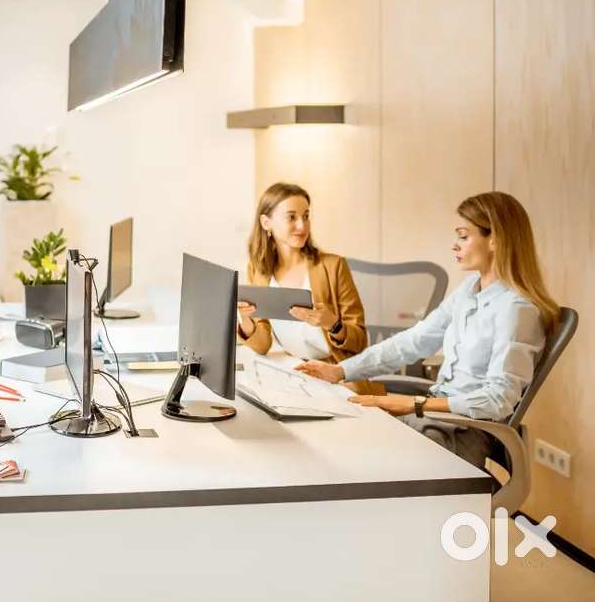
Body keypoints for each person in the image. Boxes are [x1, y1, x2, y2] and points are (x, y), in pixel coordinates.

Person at [297, 191, 557, 468]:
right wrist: (341, 371)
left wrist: (414, 404)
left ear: (496, 239)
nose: (455, 245)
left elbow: (498, 400)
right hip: (435, 415)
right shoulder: (469, 289)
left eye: (464, 236)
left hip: (464, 430)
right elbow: (414, 341)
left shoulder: (516, 309)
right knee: (341, 435)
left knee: (357, 455)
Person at [237, 182, 367, 363]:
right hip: (293, 368)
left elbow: (360, 341)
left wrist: (333, 324)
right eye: (291, 217)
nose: (302, 226)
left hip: (334, 370)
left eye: (306, 216)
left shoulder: (334, 266)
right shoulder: (258, 270)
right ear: (266, 223)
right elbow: (263, 345)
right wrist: (244, 318)